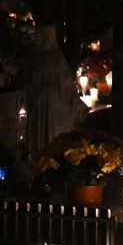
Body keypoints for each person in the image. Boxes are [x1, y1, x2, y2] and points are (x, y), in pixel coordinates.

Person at [22, 25, 88, 156]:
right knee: (40, 137)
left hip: (56, 106)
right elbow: (27, 80)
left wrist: (77, 104)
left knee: (53, 135)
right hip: (38, 105)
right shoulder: (34, 57)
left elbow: (66, 83)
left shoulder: (57, 57)